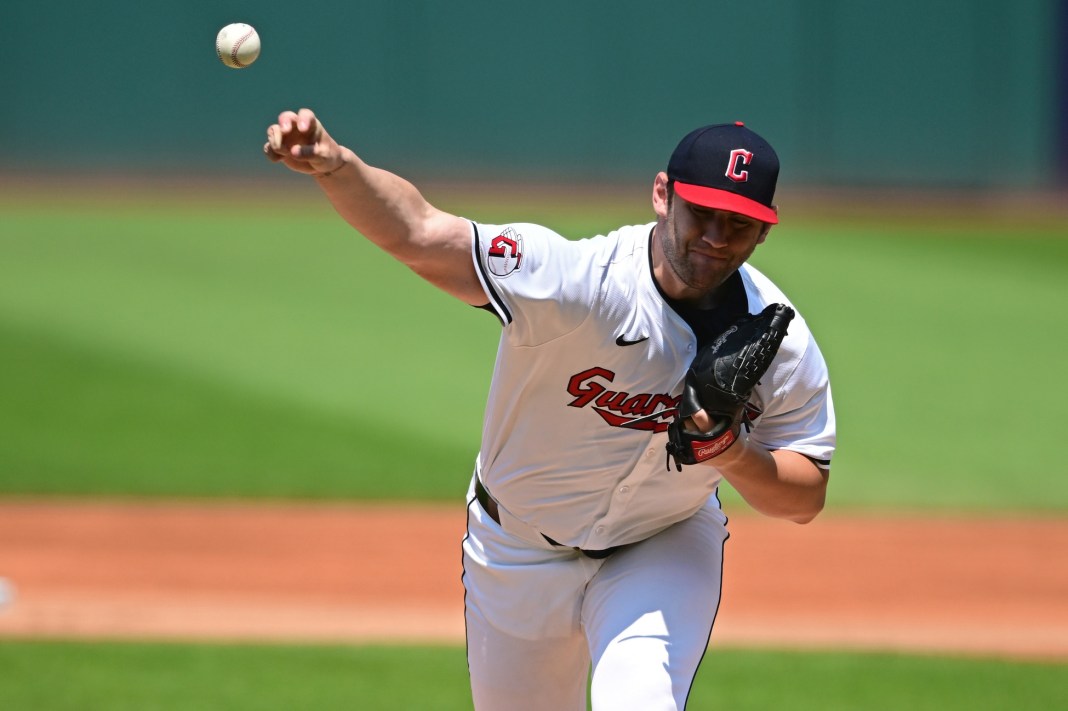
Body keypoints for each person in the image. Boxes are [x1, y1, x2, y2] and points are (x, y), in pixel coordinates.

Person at [264, 109, 835, 711]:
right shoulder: (579, 282)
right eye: (704, 213)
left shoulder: (781, 341)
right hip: (515, 551)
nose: (718, 236)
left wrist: (732, 453)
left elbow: (804, 498)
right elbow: (421, 234)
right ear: (663, 196)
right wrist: (337, 167)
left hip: (661, 546)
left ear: (765, 230)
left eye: (740, 223)